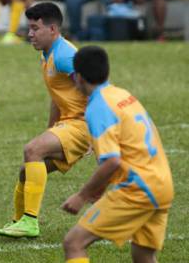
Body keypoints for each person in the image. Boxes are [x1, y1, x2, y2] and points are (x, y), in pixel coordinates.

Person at [62, 45, 174, 263]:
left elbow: (112, 160)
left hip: (138, 189)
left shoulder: (98, 107)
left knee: (74, 243)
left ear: (78, 77)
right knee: (143, 255)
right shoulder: (122, 95)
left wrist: (82, 196)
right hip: (162, 184)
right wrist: (101, 186)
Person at [0, 2, 91, 237]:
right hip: (69, 124)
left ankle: (30, 222)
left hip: (83, 125)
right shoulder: (48, 55)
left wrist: (98, 132)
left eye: (35, 28)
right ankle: (17, 222)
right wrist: (51, 131)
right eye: (29, 28)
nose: (30, 34)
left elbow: (95, 89)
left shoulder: (65, 56)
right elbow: (57, 97)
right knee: (27, 170)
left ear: (53, 29)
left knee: (31, 150)